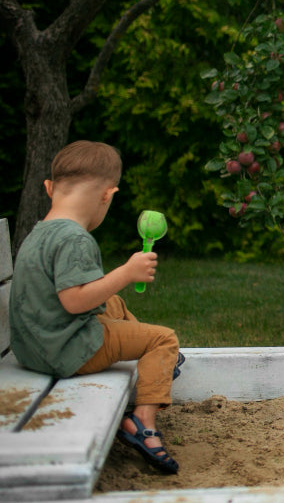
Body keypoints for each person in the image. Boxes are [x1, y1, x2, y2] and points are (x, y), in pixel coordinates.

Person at [10, 141, 182, 474]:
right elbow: (74, 301)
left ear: (49, 188)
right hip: (67, 350)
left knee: (112, 302)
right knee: (164, 339)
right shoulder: (75, 238)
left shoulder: (39, 231)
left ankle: (150, 358)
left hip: (35, 346)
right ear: (108, 195)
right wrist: (125, 273)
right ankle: (143, 424)